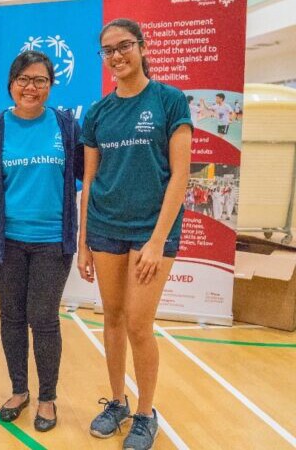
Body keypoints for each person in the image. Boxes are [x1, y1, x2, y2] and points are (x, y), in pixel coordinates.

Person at [77, 18, 192, 450]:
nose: (117, 56)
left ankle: (145, 414)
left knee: (140, 325)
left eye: (124, 46)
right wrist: (85, 241)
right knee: (112, 317)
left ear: (142, 48)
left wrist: (157, 240)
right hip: (106, 227)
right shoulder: (98, 112)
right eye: (108, 50)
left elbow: (180, 176)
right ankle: (118, 403)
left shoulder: (169, 101)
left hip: (151, 232)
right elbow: (89, 180)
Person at [0, 50, 83, 429]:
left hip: (53, 241)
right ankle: (20, 389)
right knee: (12, 316)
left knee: (43, 318)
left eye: (40, 80)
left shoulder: (67, 127)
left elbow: (88, 174)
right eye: (23, 80)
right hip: (8, 242)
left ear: (51, 85)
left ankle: (48, 397)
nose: (31, 87)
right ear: (11, 85)